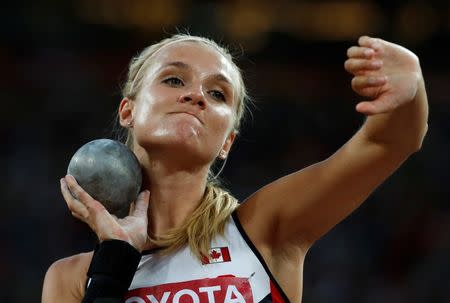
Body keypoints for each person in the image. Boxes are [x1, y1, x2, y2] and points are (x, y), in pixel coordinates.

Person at [41, 34, 428, 303]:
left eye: (217, 93)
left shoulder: (264, 230)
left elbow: (387, 142)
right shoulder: (72, 278)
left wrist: (410, 88)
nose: (195, 95)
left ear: (227, 141)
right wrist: (114, 262)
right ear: (128, 111)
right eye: (174, 79)